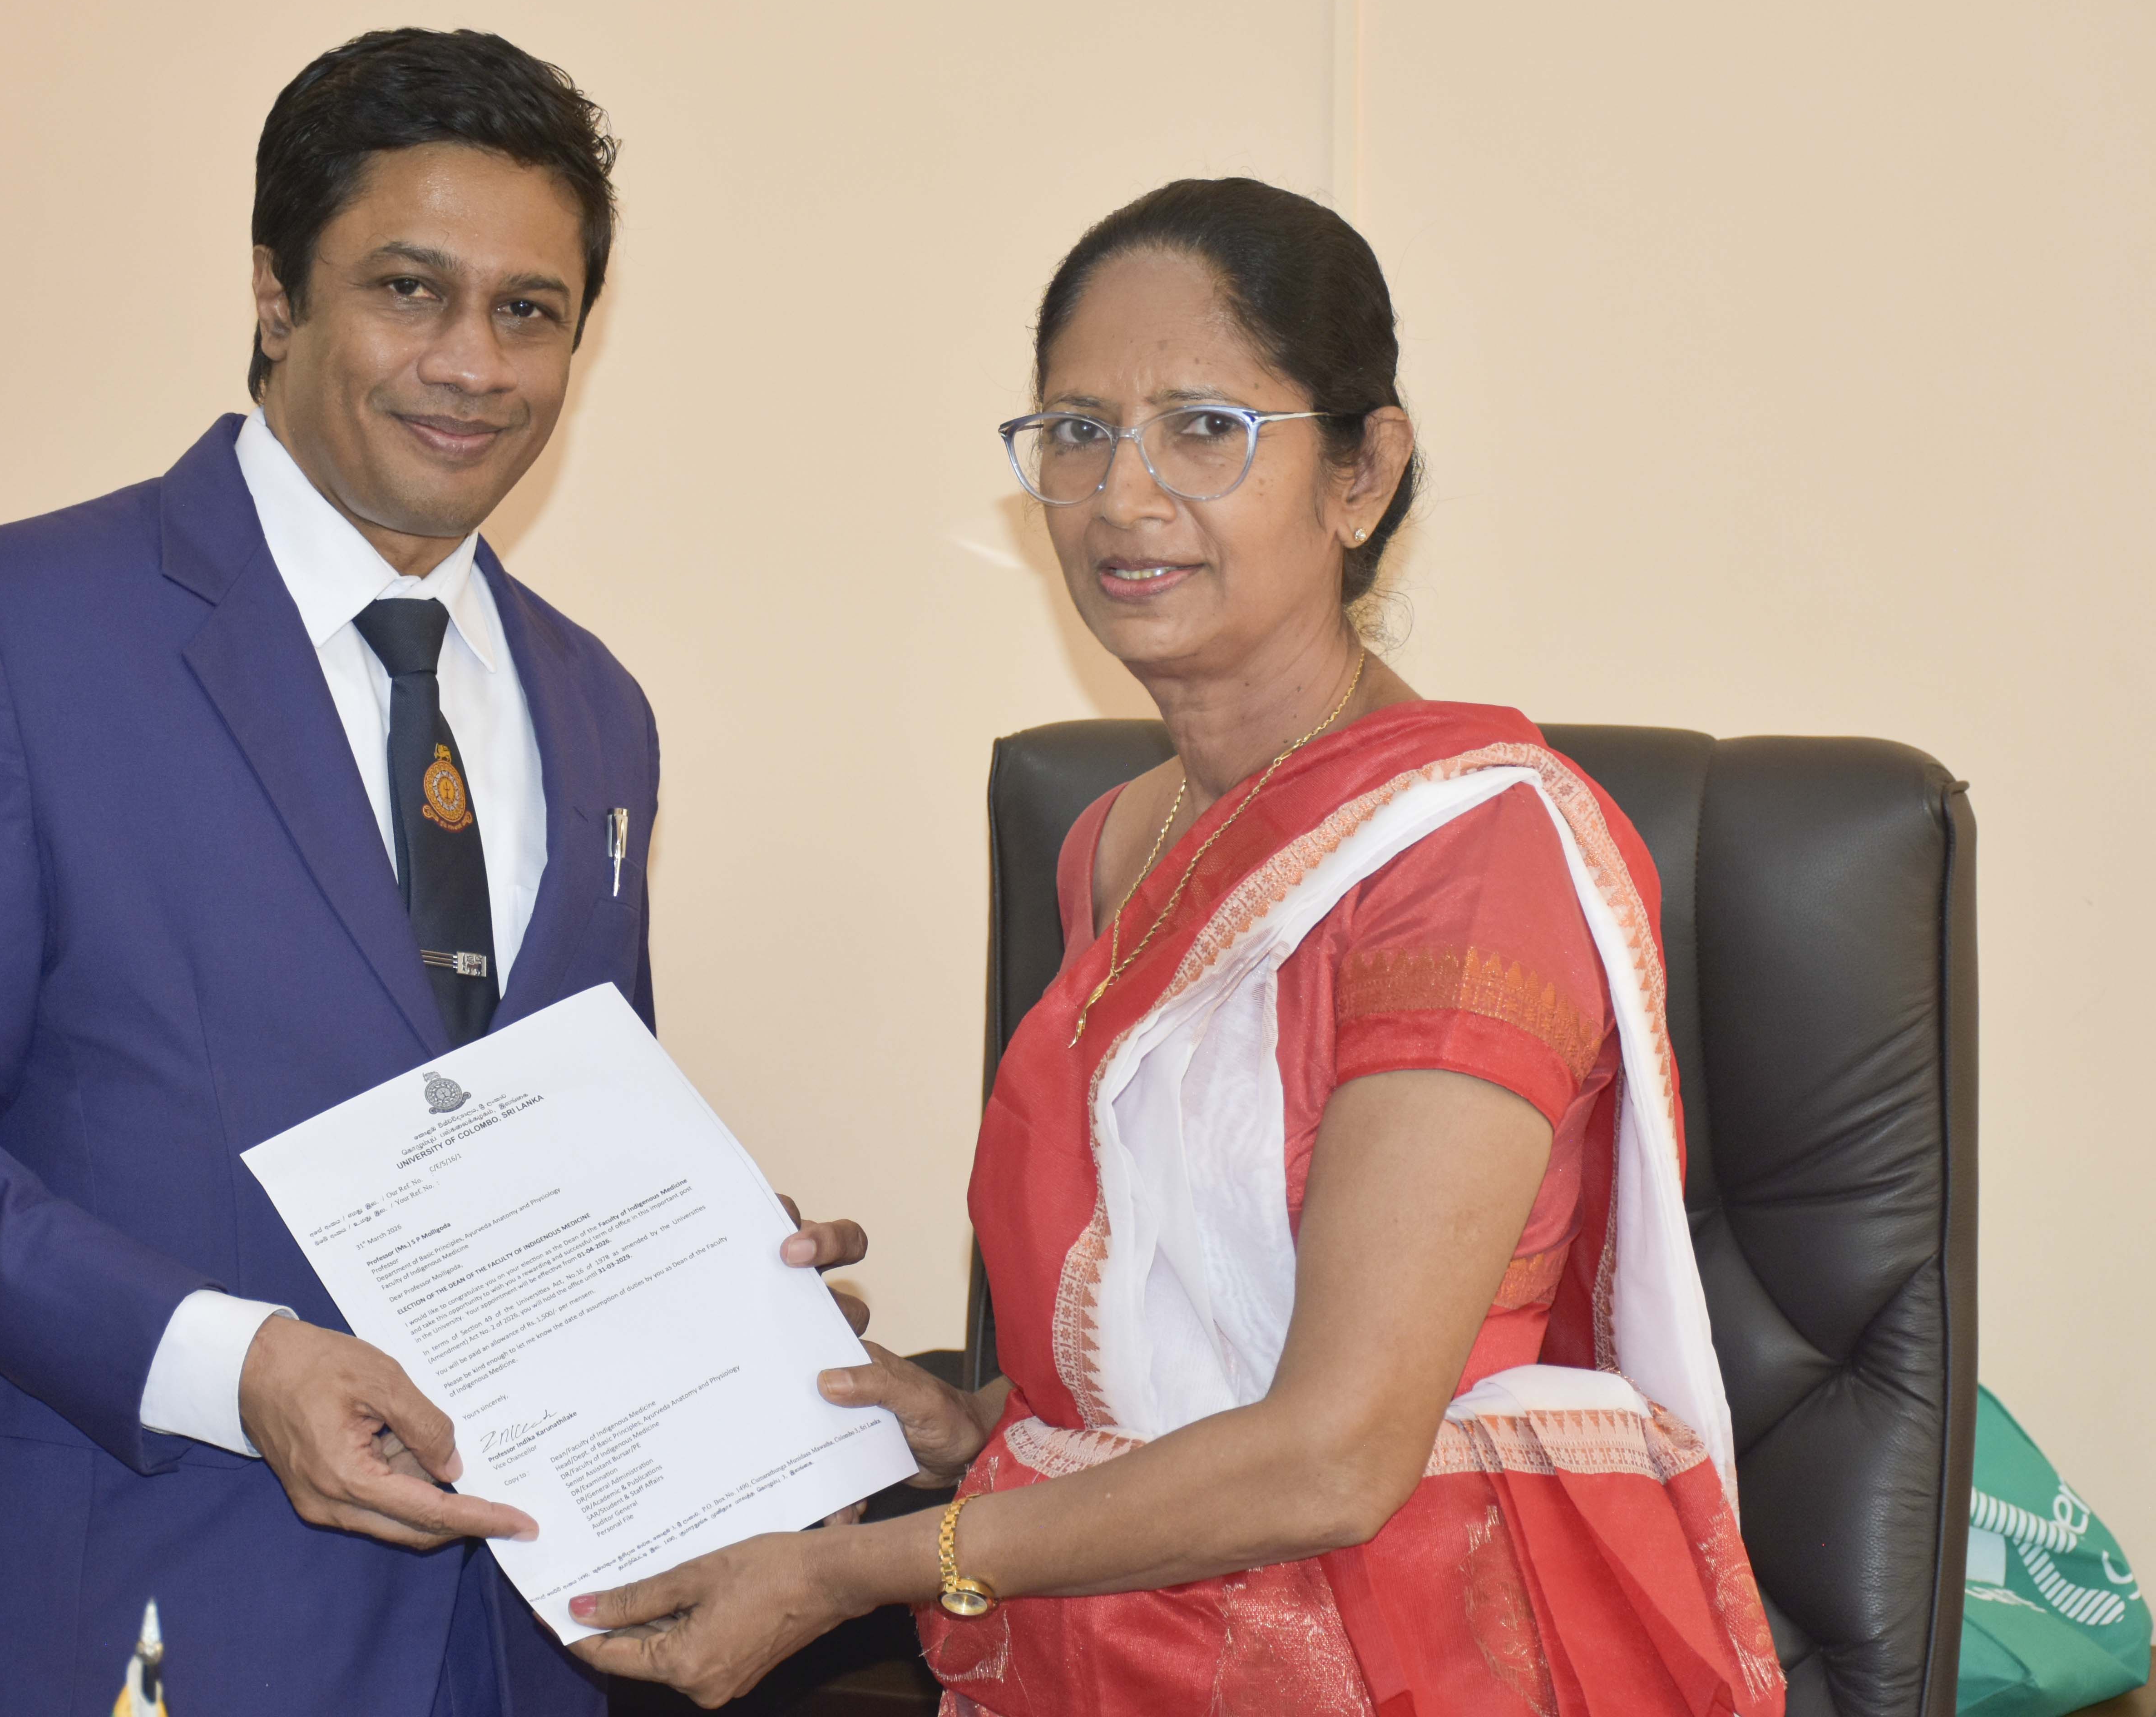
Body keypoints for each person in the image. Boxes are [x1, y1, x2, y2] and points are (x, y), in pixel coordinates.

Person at [568, 178, 1788, 1715]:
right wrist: (973, 1429)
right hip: (1095, 1635)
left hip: (1395, 1647)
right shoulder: (1111, 841)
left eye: (1205, 427)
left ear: (1364, 471)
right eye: (1077, 433)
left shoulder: (1473, 852)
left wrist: (848, 1571)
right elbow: (1164, 1329)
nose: (1125, 499)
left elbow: (1337, 1450)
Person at [0, 28, 866, 1716]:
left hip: (537, 1646)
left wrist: (716, 1275)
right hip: (157, 1621)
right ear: (277, 291)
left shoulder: (598, 707)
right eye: (409, 289)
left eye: (529, 311)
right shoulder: (10, 627)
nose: (473, 365)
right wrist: (237, 1366)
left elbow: (547, 1126)